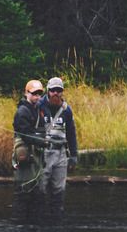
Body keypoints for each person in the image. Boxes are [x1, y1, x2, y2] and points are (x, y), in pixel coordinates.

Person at [37, 76, 78, 219]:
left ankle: (57, 217)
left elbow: (71, 133)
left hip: (61, 154)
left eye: (58, 90)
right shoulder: (39, 106)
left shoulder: (67, 110)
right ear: (48, 91)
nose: (56, 93)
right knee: (41, 187)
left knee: (59, 189)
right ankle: (40, 218)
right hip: (43, 153)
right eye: (53, 90)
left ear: (62, 92)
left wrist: (73, 155)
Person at [12, 79, 48, 223]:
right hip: (25, 157)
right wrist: (43, 142)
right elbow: (25, 134)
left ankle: (33, 223)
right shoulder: (22, 111)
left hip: (36, 156)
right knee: (23, 192)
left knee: (37, 193)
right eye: (34, 94)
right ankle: (20, 223)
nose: (37, 97)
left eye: (39, 94)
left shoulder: (39, 109)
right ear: (26, 93)